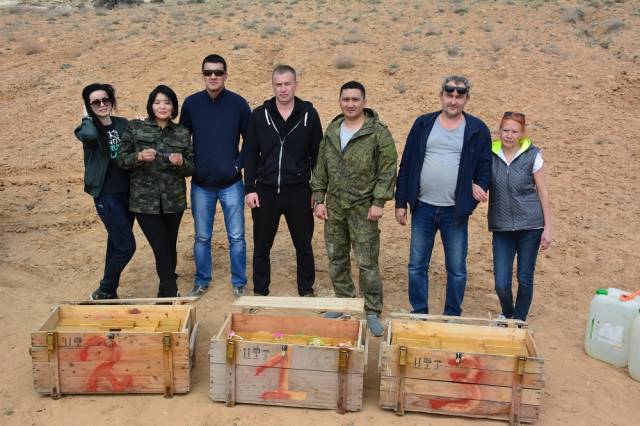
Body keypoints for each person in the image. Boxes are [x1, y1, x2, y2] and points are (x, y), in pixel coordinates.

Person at [395, 75, 491, 316]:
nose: (453, 100)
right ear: (441, 96)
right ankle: (419, 312)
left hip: (455, 211)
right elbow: (406, 163)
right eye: (449, 95)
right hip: (423, 207)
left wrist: (477, 187)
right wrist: (401, 202)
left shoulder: (477, 129)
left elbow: (484, 166)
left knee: (456, 268)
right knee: (417, 265)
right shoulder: (423, 123)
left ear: (466, 99)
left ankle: (452, 314)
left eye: (459, 96)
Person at [311, 81, 397, 337]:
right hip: (335, 207)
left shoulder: (377, 133)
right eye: (346, 99)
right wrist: (319, 198)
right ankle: (343, 301)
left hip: (363, 208)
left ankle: (372, 309)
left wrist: (378, 202)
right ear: (340, 101)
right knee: (336, 257)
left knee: (367, 262)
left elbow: (388, 168)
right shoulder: (332, 130)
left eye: (355, 99)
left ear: (364, 102)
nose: (350, 104)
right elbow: (321, 166)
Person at [244, 64, 322, 297]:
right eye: (278, 84)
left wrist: (318, 192)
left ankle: (306, 290)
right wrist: (249, 188)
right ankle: (260, 291)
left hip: (299, 191)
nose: (283, 89)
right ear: (273, 86)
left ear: (295, 84)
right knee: (261, 246)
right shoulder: (260, 114)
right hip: (265, 191)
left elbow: (318, 155)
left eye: (287, 83)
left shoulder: (309, 114)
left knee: (304, 246)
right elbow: (250, 153)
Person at [179, 54, 251, 298]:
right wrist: (193, 167)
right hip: (201, 185)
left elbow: (250, 140)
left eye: (218, 72)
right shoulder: (191, 104)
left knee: (237, 237)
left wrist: (237, 166)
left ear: (225, 75)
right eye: (208, 72)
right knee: (202, 237)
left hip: (232, 184)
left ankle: (239, 282)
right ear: (202, 75)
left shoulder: (238, 104)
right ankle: (202, 280)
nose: (213, 76)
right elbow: (182, 139)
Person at [118, 85, 194, 298]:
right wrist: (139, 157)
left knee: (169, 246)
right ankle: (170, 292)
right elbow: (121, 159)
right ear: (151, 106)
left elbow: (192, 167)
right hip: (144, 203)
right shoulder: (135, 127)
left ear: (173, 107)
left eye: (167, 103)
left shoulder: (182, 132)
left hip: (173, 201)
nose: (162, 107)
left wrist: (182, 163)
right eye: (157, 102)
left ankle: (164, 289)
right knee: (160, 246)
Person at [485, 112, 552, 321]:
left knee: (525, 277)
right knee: (501, 282)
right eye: (505, 130)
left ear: (522, 133)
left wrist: (548, 228)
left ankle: (519, 321)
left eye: (514, 131)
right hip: (501, 226)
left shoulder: (533, 155)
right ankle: (507, 313)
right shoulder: (489, 154)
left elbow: (543, 192)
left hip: (531, 226)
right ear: (499, 131)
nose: (509, 135)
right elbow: (478, 180)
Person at [75, 83, 136, 300]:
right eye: (95, 102)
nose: (102, 104)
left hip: (127, 193)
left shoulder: (123, 124)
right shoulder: (87, 129)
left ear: (111, 100)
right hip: (106, 194)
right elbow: (90, 134)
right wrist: (86, 116)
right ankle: (104, 289)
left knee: (115, 243)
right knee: (127, 246)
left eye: (105, 100)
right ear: (89, 106)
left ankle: (109, 292)